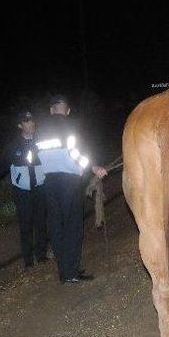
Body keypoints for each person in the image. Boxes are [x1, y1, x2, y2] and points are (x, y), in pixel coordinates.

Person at [35, 95, 108, 284]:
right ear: (67, 111)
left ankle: (64, 271)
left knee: (57, 226)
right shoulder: (70, 126)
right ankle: (72, 272)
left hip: (49, 182)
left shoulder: (40, 130)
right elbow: (76, 153)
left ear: (51, 110)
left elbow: (33, 158)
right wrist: (93, 167)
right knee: (73, 226)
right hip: (69, 181)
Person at [0, 111, 48, 268]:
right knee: (25, 225)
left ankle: (42, 256)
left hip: (40, 188)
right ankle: (28, 261)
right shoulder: (14, 144)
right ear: (20, 125)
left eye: (32, 121)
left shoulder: (42, 142)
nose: (31, 124)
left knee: (40, 224)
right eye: (26, 121)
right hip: (22, 191)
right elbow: (2, 162)